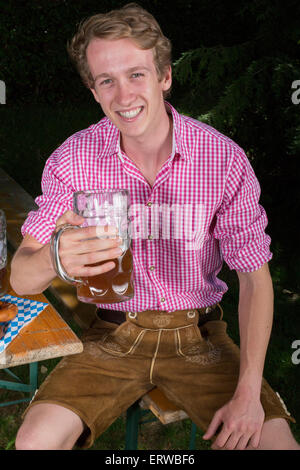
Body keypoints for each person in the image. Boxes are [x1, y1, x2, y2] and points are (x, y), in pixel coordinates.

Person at [11, 3, 299, 450]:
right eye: (106, 80)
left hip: (200, 339)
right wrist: (55, 257)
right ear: (94, 91)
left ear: (164, 76)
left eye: (136, 75)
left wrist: (248, 394)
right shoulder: (74, 159)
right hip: (110, 335)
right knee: (33, 442)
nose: (123, 96)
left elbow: (255, 278)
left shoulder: (222, 159)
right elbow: (20, 277)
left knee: (277, 445)